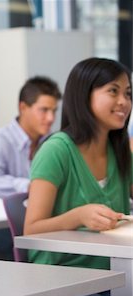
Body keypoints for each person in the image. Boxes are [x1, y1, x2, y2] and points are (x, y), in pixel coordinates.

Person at [24, 57, 132, 271]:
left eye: (128, 94)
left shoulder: (119, 150)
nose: (124, 102)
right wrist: (79, 216)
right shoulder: (56, 150)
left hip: (117, 271)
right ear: (84, 96)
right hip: (64, 274)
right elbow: (31, 229)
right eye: (113, 91)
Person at [0, 76, 61, 259]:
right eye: (44, 110)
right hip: (0, 228)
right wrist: (30, 186)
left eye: (54, 111)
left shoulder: (53, 143)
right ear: (23, 107)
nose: (51, 118)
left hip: (40, 223)